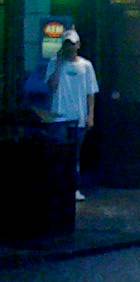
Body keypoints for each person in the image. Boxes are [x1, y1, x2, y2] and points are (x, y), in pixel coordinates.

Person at [46, 29, 98, 200]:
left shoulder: (86, 66)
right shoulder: (54, 63)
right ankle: (59, 187)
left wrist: (90, 115)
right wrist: (59, 64)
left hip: (78, 118)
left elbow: (91, 93)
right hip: (58, 117)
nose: (70, 48)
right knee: (59, 154)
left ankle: (73, 187)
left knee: (75, 154)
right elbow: (51, 86)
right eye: (67, 44)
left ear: (78, 45)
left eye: (73, 44)